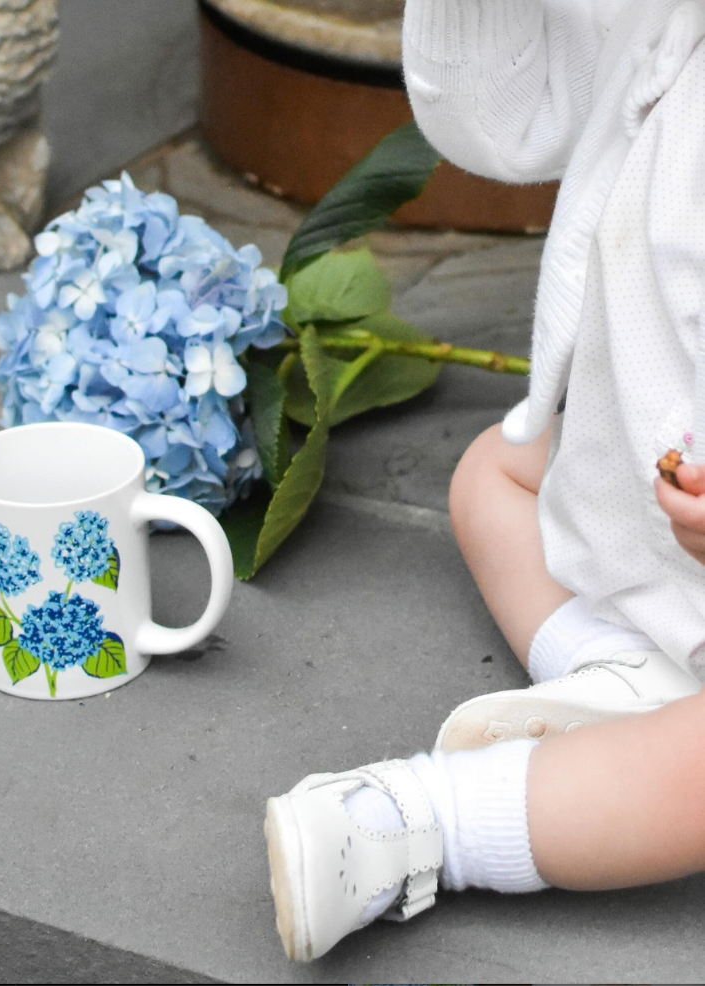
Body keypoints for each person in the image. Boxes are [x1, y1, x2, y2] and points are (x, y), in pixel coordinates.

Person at [264, 0, 705, 962]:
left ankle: (420, 824)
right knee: (488, 481)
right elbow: (496, 124)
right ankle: (627, 680)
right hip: (649, 499)